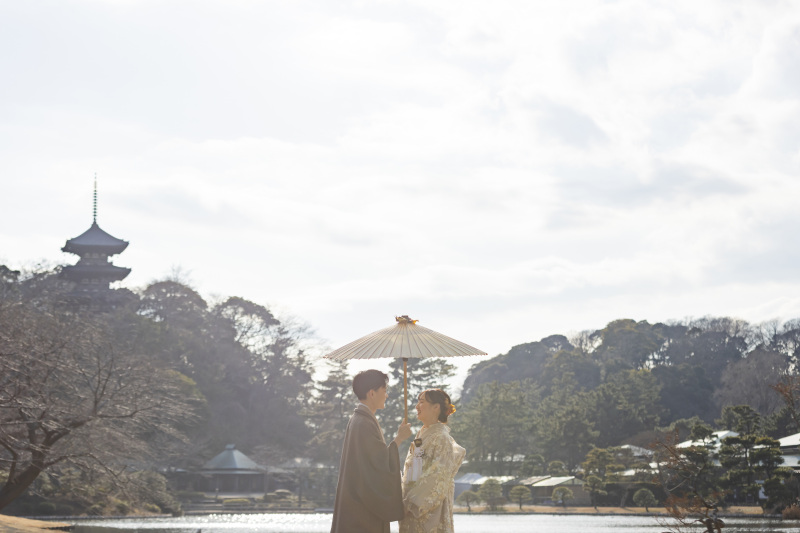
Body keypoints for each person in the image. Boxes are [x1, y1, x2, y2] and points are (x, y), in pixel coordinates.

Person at [330, 369, 413, 533]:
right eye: (384, 390)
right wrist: (399, 439)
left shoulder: (361, 419)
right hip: (361, 514)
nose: (386, 395)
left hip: (356, 507)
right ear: (372, 393)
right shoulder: (363, 423)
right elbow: (377, 466)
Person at [400, 389, 466, 533]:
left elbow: (437, 478)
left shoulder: (442, 438)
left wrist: (411, 505)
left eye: (422, 402)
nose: (417, 406)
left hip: (427, 514)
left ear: (436, 407)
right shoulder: (422, 435)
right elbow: (413, 475)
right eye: (418, 402)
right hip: (410, 512)